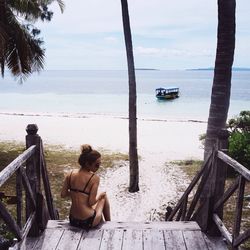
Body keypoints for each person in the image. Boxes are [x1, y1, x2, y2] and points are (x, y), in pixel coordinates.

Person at [61, 144, 111, 230]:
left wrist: (76, 194)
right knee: (103, 196)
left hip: (73, 220)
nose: (98, 167)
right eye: (97, 165)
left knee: (94, 205)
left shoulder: (70, 173)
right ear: (87, 164)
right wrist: (99, 196)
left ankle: (103, 224)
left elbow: (63, 194)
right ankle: (110, 225)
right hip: (88, 221)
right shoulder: (94, 178)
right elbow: (91, 202)